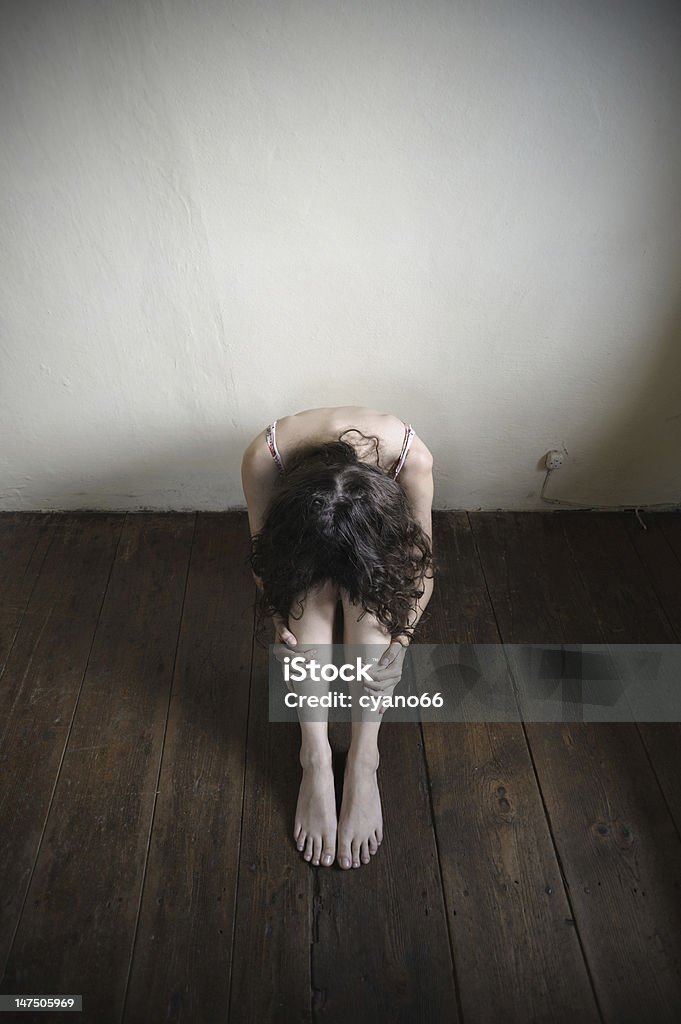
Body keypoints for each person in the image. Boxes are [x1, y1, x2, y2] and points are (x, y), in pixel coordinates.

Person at [240, 405, 435, 870]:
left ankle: (366, 758)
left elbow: (421, 567)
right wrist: (277, 620)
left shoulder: (412, 459)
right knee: (306, 615)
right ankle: (315, 755)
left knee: (373, 625)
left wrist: (401, 642)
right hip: (304, 551)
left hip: (371, 549)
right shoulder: (264, 458)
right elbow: (263, 556)